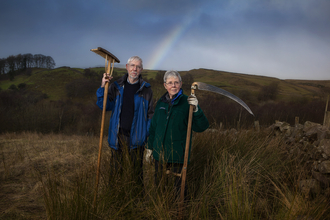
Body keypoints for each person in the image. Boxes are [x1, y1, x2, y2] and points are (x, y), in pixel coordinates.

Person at [146, 70, 209, 197]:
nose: (173, 85)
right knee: (159, 186)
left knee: (178, 190)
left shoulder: (188, 102)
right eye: (170, 83)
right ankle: (160, 211)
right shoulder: (161, 103)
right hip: (159, 154)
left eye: (176, 82)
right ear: (165, 85)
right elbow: (153, 127)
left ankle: (180, 211)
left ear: (180, 84)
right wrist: (149, 148)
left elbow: (202, 127)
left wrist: (196, 109)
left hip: (177, 155)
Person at [96, 56, 154, 186]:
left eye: (138, 67)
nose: (135, 69)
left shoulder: (146, 90)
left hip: (137, 138)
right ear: (127, 67)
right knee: (115, 172)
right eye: (132, 65)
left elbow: (150, 115)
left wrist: (146, 135)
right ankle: (114, 199)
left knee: (136, 173)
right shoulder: (116, 87)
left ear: (141, 69)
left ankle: (137, 201)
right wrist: (103, 86)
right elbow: (104, 106)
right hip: (118, 136)